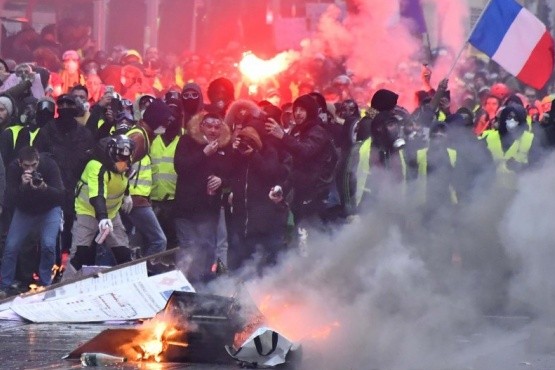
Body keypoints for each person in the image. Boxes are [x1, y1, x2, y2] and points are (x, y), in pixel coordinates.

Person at [265, 94, 335, 253]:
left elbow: (305, 151)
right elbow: (295, 168)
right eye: (296, 110)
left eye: (302, 110)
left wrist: (283, 136)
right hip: (301, 195)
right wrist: (283, 188)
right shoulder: (299, 132)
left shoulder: (318, 131)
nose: (297, 113)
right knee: (299, 238)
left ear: (310, 111)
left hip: (315, 195)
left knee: (311, 239)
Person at [174, 113, 232, 283]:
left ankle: (206, 290)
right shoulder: (187, 141)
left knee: (208, 248)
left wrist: (222, 181)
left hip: (209, 210)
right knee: (189, 248)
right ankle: (184, 286)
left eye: (217, 126)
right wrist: (204, 153)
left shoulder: (225, 146)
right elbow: (180, 167)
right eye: (209, 125)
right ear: (201, 126)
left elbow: (233, 174)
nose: (213, 130)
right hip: (186, 208)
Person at [0, 146, 64, 297]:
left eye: (33, 165)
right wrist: (22, 186)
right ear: (20, 163)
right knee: (11, 246)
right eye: (26, 166)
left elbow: (61, 195)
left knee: (48, 245)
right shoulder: (14, 169)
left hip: (49, 209)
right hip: (25, 211)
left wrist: (44, 187)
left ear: (38, 161)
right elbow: (10, 198)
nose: (30, 169)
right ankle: (4, 285)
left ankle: (45, 282)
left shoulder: (49, 164)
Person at [228, 126, 289, 275]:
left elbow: (270, 173)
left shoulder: (269, 152)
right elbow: (226, 171)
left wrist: (253, 155)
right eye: (242, 139)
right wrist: (234, 151)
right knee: (240, 265)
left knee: (264, 265)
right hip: (241, 222)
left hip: (264, 223)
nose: (245, 144)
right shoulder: (238, 157)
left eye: (249, 140)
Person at [69, 135, 135, 271]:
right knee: (79, 256)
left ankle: (127, 285)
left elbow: (122, 181)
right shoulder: (96, 166)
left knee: (124, 254)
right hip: (87, 212)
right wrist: (102, 217)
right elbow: (97, 194)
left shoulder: (125, 164)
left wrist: (127, 195)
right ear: (112, 154)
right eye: (120, 159)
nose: (123, 163)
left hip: (112, 215)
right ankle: (65, 286)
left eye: (126, 159)